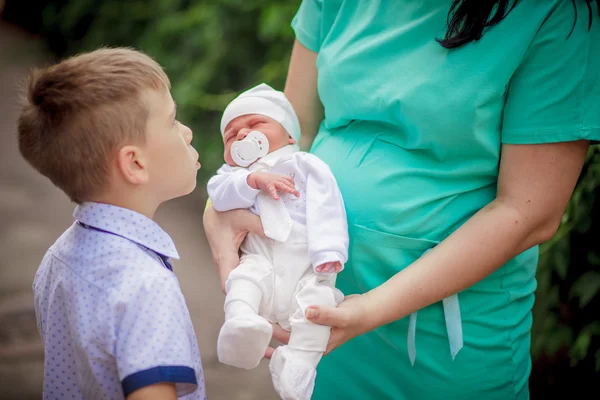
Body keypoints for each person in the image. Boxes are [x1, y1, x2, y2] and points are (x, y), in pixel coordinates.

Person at [203, 0, 600, 398]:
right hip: (317, 309)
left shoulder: (554, 13)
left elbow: (528, 212)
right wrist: (222, 208)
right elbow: (292, 127)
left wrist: (368, 310)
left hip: (437, 345)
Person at [18, 47, 205, 400]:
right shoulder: (146, 287)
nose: (188, 132)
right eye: (172, 120)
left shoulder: (57, 258)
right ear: (134, 164)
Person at [207, 83, 348, 400]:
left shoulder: (306, 166)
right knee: (244, 279)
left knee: (319, 306)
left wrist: (329, 250)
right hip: (261, 259)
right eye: (231, 135)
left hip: (306, 267)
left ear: (289, 137)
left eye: (256, 124)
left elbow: (327, 207)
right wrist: (251, 180)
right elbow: (218, 195)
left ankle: (297, 362)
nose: (243, 134)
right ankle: (241, 323)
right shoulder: (230, 176)